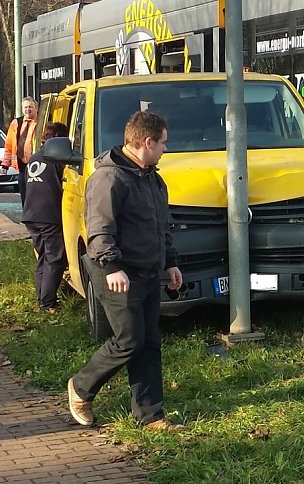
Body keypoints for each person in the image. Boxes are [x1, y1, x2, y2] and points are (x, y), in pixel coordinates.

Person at [67, 111, 183, 431]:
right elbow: (99, 229)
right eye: (163, 143)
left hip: (146, 272)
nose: (165, 149)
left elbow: (162, 227)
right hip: (116, 273)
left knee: (149, 343)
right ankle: (80, 387)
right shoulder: (109, 178)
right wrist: (113, 266)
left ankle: (150, 416)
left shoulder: (152, 178)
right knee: (129, 340)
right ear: (147, 142)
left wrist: (170, 262)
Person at [22, 122, 70, 313]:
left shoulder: (35, 157)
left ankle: (42, 299)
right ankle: (48, 303)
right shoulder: (56, 158)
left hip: (31, 214)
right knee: (56, 257)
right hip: (47, 214)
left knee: (44, 256)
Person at [1, 96, 39, 205]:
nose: (28, 110)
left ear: (36, 108)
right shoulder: (16, 123)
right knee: (24, 194)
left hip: (38, 166)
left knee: (36, 194)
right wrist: (5, 165)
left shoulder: (42, 121)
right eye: (25, 107)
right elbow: (9, 145)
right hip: (22, 166)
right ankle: (27, 215)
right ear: (22, 109)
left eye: (30, 107)